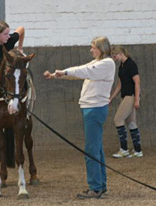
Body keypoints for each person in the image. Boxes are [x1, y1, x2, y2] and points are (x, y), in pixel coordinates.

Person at [44, 36, 115, 199]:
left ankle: (95, 187)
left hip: (95, 109)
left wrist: (65, 72)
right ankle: (100, 185)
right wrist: (58, 75)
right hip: (91, 108)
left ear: (101, 48)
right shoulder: (97, 62)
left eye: (93, 47)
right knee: (96, 148)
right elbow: (80, 71)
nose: (91, 50)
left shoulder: (106, 63)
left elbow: (84, 72)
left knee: (91, 149)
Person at [110, 46, 143, 158]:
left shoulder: (131, 64)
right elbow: (119, 85)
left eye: (115, 56)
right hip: (125, 96)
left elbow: (137, 83)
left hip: (131, 96)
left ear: (120, 53)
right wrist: (111, 98)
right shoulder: (122, 66)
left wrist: (137, 99)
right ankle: (138, 151)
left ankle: (124, 149)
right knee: (131, 123)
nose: (114, 58)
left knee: (118, 119)